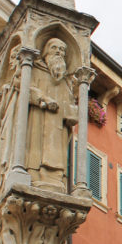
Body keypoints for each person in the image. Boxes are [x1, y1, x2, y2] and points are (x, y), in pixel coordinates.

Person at [25, 38, 77, 192]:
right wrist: (44, 99)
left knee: (58, 149)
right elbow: (27, 89)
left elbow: (70, 100)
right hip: (39, 117)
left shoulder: (65, 79)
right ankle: (34, 175)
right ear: (46, 50)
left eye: (62, 50)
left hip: (58, 123)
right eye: (55, 48)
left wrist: (71, 112)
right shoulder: (35, 69)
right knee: (35, 144)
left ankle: (57, 179)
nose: (59, 52)